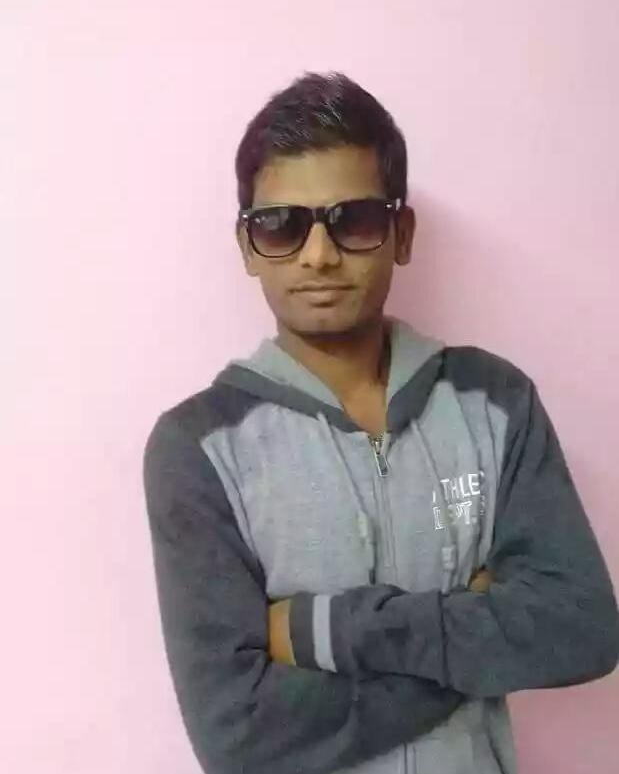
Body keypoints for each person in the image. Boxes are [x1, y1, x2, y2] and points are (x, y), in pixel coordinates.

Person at [142, 71, 619, 774]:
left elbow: (580, 629)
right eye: (280, 225)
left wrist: (323, 629)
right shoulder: (197, 446)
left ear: (401, 233)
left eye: (354, 219)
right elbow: (236, 735)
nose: (318, 254)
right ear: (246, 245)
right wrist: (474, 638)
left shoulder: (494, 400)